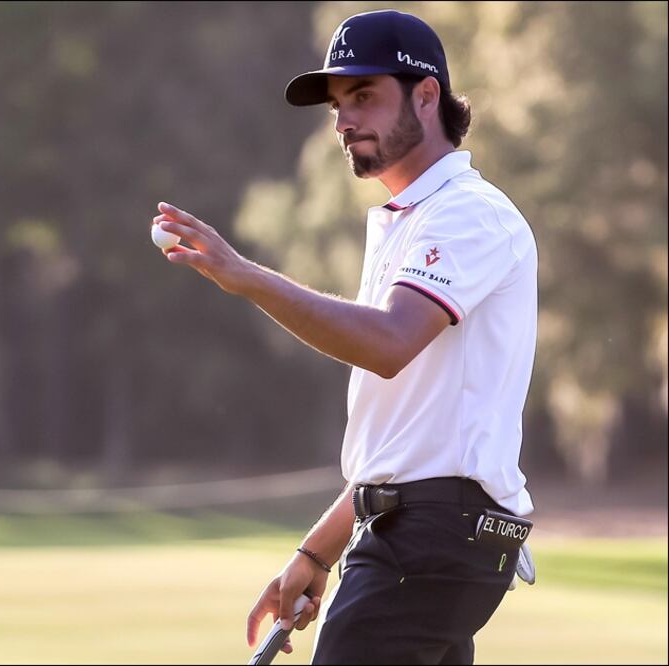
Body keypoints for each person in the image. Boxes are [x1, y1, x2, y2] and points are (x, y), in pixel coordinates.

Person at [154, 9, 536, 664]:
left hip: (434, 538)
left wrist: (245, 277)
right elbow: (402, 445)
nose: (342, 121)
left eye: (362, 96)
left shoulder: (467, 212)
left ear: (425, 95)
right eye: (336, 105)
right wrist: (316, 551)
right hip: (418, 537)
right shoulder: (406, 222)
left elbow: (386, 345)